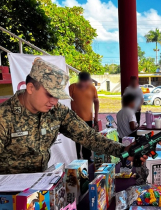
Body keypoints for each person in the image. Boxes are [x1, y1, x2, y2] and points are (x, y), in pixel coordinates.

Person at [0, 58, 146, 174]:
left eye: (57, 96)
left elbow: (88, 136)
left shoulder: (56, 111)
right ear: (31, 88)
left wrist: (123, 151)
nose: (54, 101)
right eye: (50, 95)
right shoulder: (4, 117)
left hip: (40, 190)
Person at [69, 72, 99, 162]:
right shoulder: (72, 87)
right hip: (75, 119)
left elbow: (96, 102)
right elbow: (67, 102)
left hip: (88, 118)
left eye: (86, 81)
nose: (84, 84)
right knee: (76, 140)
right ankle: (77, 157)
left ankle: (87, 157)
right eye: (83, 81)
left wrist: (96, 117)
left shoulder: (92, 88)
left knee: (87, 139)